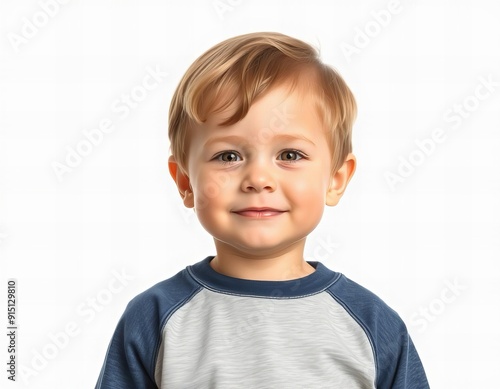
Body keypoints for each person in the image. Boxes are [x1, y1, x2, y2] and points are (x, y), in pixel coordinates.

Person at [95, 32, 430, 388]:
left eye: (290, 155)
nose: (258, 179)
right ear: (185, 182)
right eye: (228, 156)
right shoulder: (153, 319)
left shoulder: (372, 323)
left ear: (335, 179)